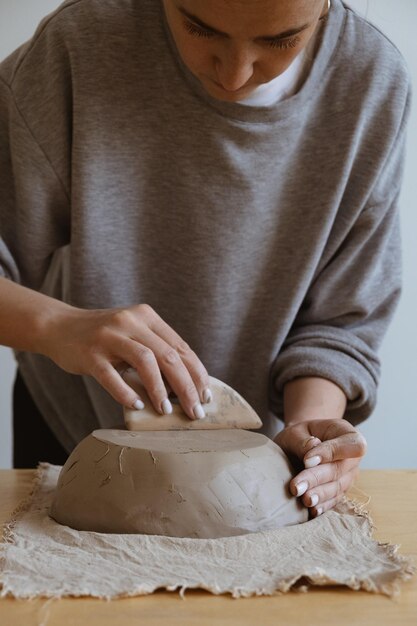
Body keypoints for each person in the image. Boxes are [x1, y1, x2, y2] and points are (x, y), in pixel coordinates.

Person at [0, 0, 410, 519]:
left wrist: (311, 429)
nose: (236, 75)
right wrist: (60, 327)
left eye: (280, 40)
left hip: (258, 467)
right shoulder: (77, 49)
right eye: (199, 27)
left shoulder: (372, 84)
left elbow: (341, 320)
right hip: (72, 440)